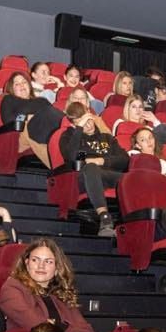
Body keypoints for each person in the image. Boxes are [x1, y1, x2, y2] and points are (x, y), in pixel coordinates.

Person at [0, 238, 97, 332]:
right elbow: (39, 328)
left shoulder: (62, 295)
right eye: (35, 260)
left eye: (48, 261)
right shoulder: (13, 288)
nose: (41, 266)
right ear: (27, 263)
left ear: (57, 268)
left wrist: (59, 325)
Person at [57, 101, 123, 235]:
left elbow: (124, 160)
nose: (88, 125)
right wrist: (78, 130)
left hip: (108, 175)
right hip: (84, 178)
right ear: (73, 124)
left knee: (135, 178)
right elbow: (71, 157)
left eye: (88, 120)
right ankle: (105, 218)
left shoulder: (107, 138)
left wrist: (102, 160)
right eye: (82, 123)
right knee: (90, 168)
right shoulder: (68, 136)